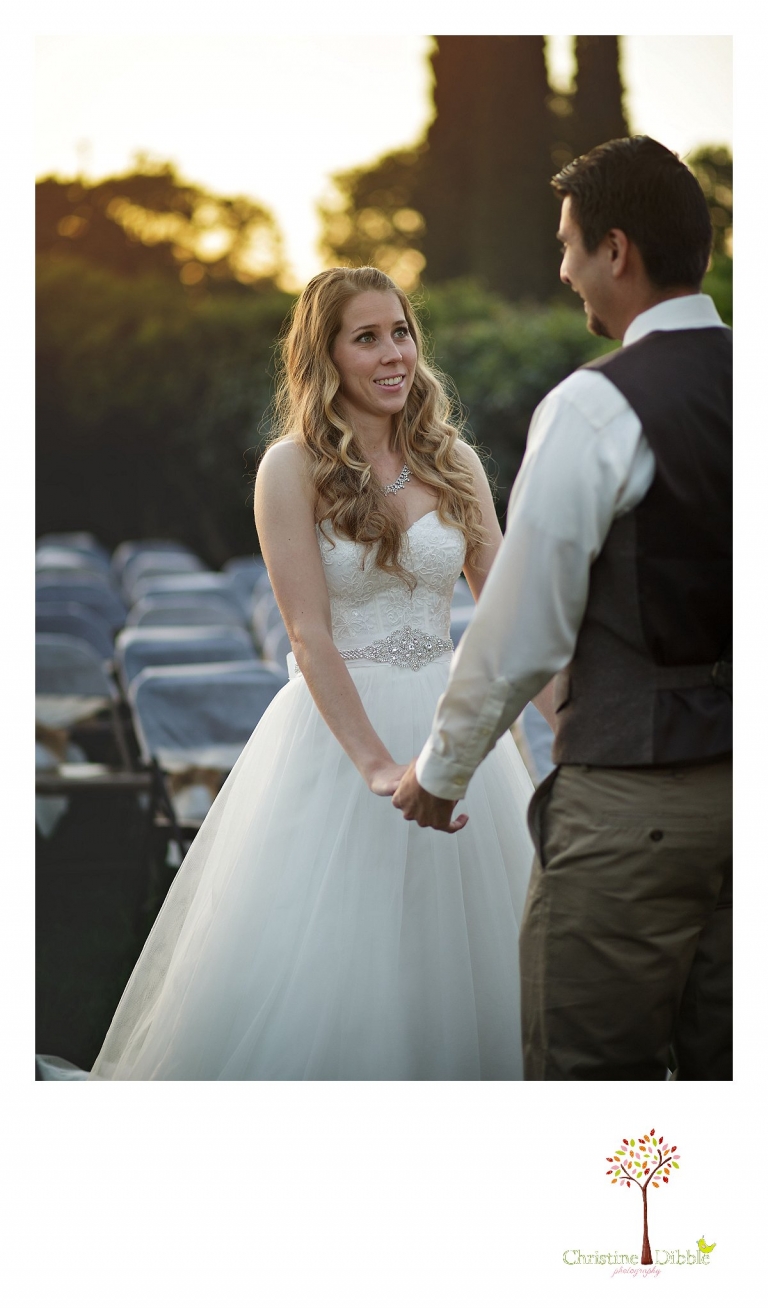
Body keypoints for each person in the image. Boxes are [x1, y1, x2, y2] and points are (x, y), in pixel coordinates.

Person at [76, 266, 539, 1080]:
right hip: (338, 740)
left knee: (472, 968)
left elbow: (505, 611)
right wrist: (377, 766)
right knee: (340, 974)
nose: (393, 353)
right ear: (325, 357)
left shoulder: (454, 460)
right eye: (367, 338)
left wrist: (502, 744)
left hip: (451, 727)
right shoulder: (289, 469)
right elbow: (308, 633)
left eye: (401, 332)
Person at [393, 136, 732, 1082]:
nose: (563, 271)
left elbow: (522, 629)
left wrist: (442, 771)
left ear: (615, 251)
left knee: (591, 1088)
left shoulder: (597, 407)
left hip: (637, 800)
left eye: (570, 246)